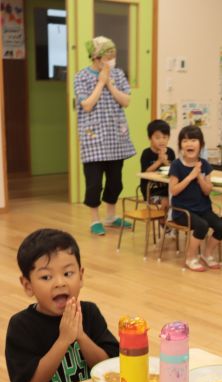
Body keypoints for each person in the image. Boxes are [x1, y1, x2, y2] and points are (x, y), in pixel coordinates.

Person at [5, 229, 119, 382]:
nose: (60, 283)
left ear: (81, 276)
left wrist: (80, 336)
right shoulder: (21, 326)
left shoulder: (89, 313)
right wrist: (64, 340)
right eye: (46, 277)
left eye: (68, 274)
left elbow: (109, 367)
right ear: (28, 285)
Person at [74, 36, 135, 236]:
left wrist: (110, 84)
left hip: (116, 138)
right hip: (93, 140)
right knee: (94, 184)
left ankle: (111, 217)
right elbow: (87, 104)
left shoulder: (118, 74)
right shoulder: (81, 76)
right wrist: (100, 83)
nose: (111, 60)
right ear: (96, 57)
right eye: (108, 56)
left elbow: (126, 101)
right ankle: (94, 220)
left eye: (113, 56)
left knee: (115, 182)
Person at [169, 125, 222, 272]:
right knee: (202, 226)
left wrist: (200, 176)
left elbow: (207, 191)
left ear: (201, 144)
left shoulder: (205, 165)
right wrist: (190, 176)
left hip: (203, 209)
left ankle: (207, 254)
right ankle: (190, 257)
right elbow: (174, 191)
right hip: (182, 211)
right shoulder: (176, 165)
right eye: (185, 141)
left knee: (221, 226)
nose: (189, 144)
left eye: (193, 140)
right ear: (180, 145)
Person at [140, 119, 175, 209]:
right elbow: (145, 172)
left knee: (180, 199)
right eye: (158, 137)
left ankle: (170, 221)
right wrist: (159, 161)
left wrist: (165, 162)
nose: (162, 141)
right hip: (151, 191)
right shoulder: (146, 153)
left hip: (167, 189)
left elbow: (174, 170)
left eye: (165, 137)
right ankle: (163, 222)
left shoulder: (170, 152)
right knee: (165, 202)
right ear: (150, 138)